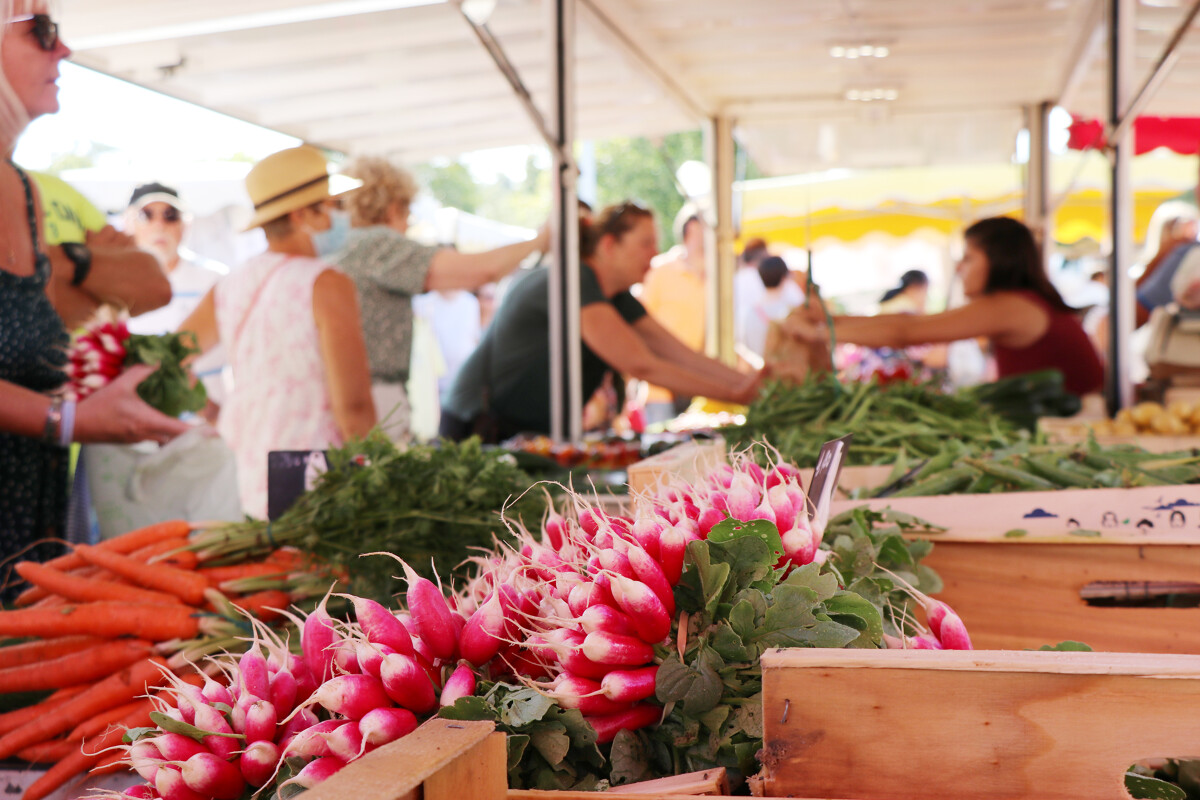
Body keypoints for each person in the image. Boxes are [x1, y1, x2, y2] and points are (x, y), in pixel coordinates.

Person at [0, 4, 188, 561]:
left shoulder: (24, 191)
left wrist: (69, 261)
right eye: (41, 32)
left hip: (28, 524)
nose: (64, 49)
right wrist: (70, 419)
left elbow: (150, 284)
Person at [439, 202, 761, 441]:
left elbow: (681, 354)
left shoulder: (616, 296)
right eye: (645, 243)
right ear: (609, 245)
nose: (655, 252)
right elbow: (643, 365)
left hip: (525, 432)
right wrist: (737, 394)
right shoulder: (574, 280)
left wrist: (745, 383)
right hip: (478, 427)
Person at [178, 145, 376, 519]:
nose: (342, 217)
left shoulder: (232, 283)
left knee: (280, 568)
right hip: (322, 469)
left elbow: (168, 363)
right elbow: (353, 407)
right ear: (304, 214)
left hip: (254, 461)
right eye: (335, 206)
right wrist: (378, 473)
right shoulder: (326, 283)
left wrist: (218, 414)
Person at [332, 156, 550, 439]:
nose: (408, 224)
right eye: (407, 211)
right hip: (373, 395)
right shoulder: (377, 244)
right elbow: (482, 271)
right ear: (394, 206)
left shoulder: (344, 246)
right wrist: (539, 241)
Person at [784, 216, 1104, 397]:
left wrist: (820, 331)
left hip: (1073, 429)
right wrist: (831, 319)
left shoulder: (1013, 305)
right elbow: (907, 323)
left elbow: (907, 332)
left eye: (968, 258)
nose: (960, 267)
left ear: (998, 261)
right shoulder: (1021, 301)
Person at [123, 182, 229, 406]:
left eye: (171, 215)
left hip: (205, 424)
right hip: (137, 425)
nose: (159, 225)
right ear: (129, 223)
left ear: (186, 224)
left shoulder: (217, 280)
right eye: (146, 215)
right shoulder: (114, 284)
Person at [639, 204, 707, 423]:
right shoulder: (660, 271)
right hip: (661, 389)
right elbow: (638, 325)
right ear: (690, 230)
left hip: (700, 385)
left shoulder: (716, 276)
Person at [742, 256, 803, 358]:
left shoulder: (751, 313)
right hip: (785, 370)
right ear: (784, 278)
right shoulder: (792, 310)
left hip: (760, 369)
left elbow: (747, 346)